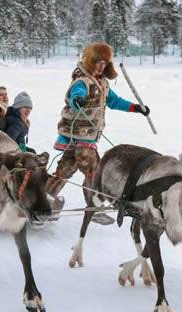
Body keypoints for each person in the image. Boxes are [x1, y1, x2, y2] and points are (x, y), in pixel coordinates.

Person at [46, 42, 150, 200]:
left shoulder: (102, 83)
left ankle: (45, 198)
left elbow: (115, 101)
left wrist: (136, 108)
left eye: (105, 63)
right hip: (81, 134)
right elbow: (76, 93)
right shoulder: (82, 80)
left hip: (80, 136)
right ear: (90, 61)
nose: (101, 66)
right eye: (98, 62)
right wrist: (78, 100)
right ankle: (94, 204)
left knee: (65, 169)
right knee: (94, 170)